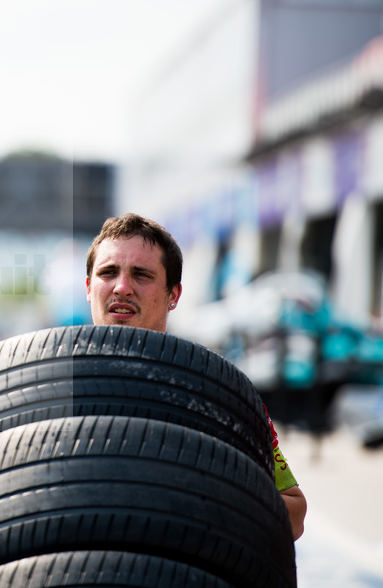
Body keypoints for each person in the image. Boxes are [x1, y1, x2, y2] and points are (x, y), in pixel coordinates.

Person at [85, 213, 307, 541]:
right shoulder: (47, 386)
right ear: (89, 288)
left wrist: (198, 492)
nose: (122, 287)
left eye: (141, 274)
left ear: (174, 295)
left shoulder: (218, 393)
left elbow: (294, 515)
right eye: (108, 272)